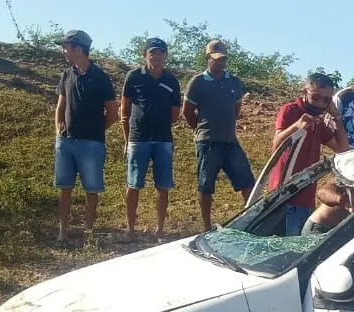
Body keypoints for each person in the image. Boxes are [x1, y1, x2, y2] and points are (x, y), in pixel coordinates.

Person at [53, 30, 117, 243]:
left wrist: (97, 132)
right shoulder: (66, 74)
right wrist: (58, 132)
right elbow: (60, 107)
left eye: (66, 47)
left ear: (79, 49)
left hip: (92, 143)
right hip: (66, 142)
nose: (64, 51)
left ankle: (88, 232)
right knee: (65, 188)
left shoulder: (100, 77)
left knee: (92, 189)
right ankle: (63, 232)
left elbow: (113, 113)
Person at [184, 40, 253, 231]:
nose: (221, 62)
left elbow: (236, 109)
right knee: (206, 185)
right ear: (208, 58)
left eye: (223, 59)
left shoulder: (234, 82)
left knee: (247, 180)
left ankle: (251, 221)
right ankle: (206, 226)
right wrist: (198, 130)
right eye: (216, 59)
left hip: (230, 141)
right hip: (207, 142)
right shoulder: (197, 82)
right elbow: (188, 111)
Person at [268, 73, 348, 235]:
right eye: (316, 97)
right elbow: (276, 144)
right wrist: (297, 126)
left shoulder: (318, 121)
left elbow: (342, 149)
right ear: (305, 92)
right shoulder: (290, 110)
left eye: (326, 100)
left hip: (306, 194)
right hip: (284, 193)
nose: (320, 103)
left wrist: (336, 118)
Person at [121, 38, 181, 238]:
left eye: (161, 52)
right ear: (144, 55)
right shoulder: (134, 76)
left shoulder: (172, 80)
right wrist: (126, 139)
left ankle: (160, 230)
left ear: (166, 56)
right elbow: (125, 109)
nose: (156, 56)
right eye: (152, 52)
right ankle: (130, 229)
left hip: (163, 139)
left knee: (163, 186)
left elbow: (175, 114)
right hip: (138, 139)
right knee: (133, 184)